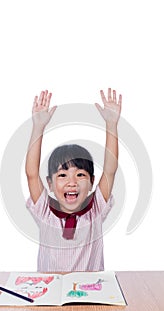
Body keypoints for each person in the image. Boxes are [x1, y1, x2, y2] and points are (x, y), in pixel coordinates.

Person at [25, 88, 122, 272]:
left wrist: (111, 124)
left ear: (92, 182)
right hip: (50, 294)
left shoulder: (95, 209)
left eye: (80, 174)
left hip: (90, 295)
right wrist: (38, 127)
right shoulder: (45, 211)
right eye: (62, 175)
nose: (72, 182)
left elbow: (110, 170)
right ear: (50, 184)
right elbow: (31, 173)